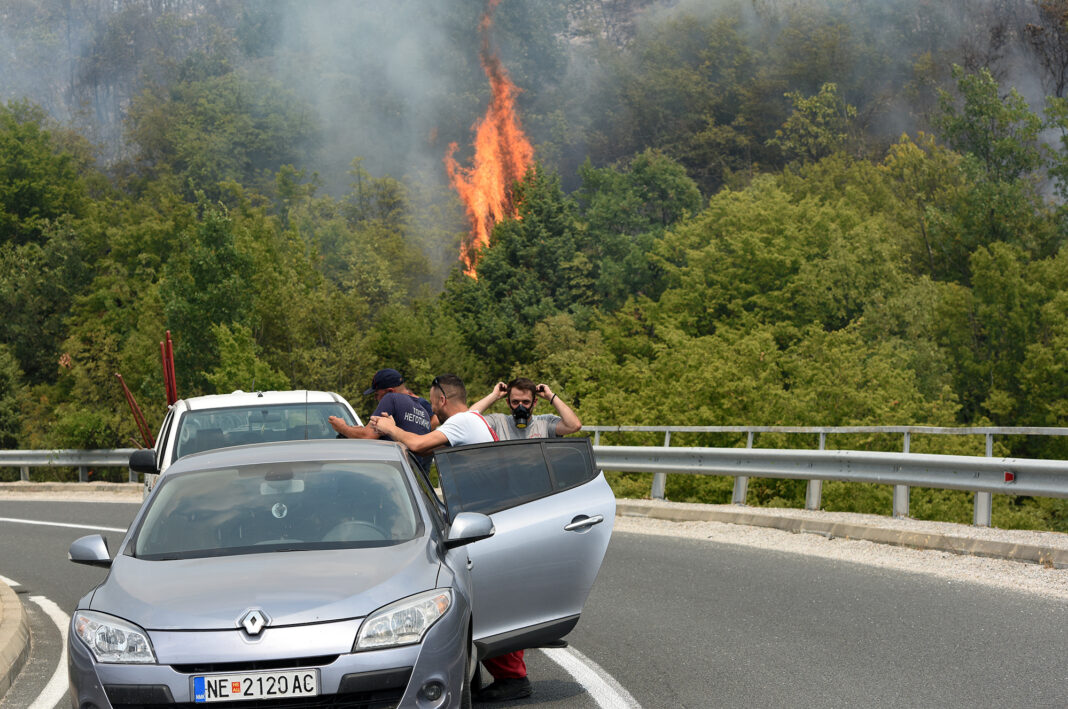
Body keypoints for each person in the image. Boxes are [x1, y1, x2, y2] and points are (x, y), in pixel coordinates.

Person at [370, 374, 532, 703]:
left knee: (486, 599)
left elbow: (417, 444)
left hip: (489, 521)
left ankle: (514, 679)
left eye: (432, 402)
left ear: (442, 400)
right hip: (494, 515)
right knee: (488, 598)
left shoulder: (460, 423)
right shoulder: (471, 420)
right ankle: (506, 675)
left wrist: (388, 429)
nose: (432, 409)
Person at [328, 368, 436, 470]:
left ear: (390, 391)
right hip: (412, 477)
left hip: (391, 472)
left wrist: (342, 427)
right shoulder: (423, 411)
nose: (375, 398)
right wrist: (360, 430)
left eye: (377, 394)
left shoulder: (391, 398)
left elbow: (367, 436)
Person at [470, 377, 581, 440]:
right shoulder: (498, 422)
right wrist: (494, 396)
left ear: (534, 402)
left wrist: (551, 396)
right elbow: (467, 419)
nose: (520, 407)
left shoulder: (545, 423)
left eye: (526, 402)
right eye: (515, 402)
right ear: (508, 403)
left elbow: (574, 425)